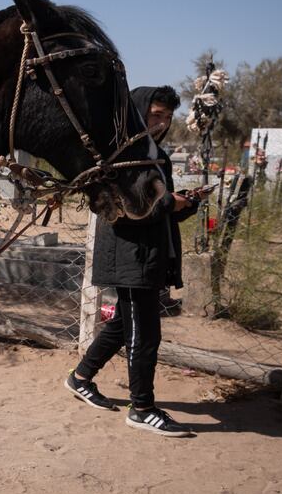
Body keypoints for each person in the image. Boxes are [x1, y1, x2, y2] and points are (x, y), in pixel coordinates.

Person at [64, 85, 200, 436]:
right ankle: (141, 408)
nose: (162, 122)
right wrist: (172, 202)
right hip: (131, 254)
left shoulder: (157, 154)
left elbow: (160, 211)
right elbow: (126, 207)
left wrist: (186, 203)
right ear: (139, 112)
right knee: (145, 334)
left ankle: (80, 378)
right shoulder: (121, 155)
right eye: (155, 114)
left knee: (124, 325)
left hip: (150, 252)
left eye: (168, 117)